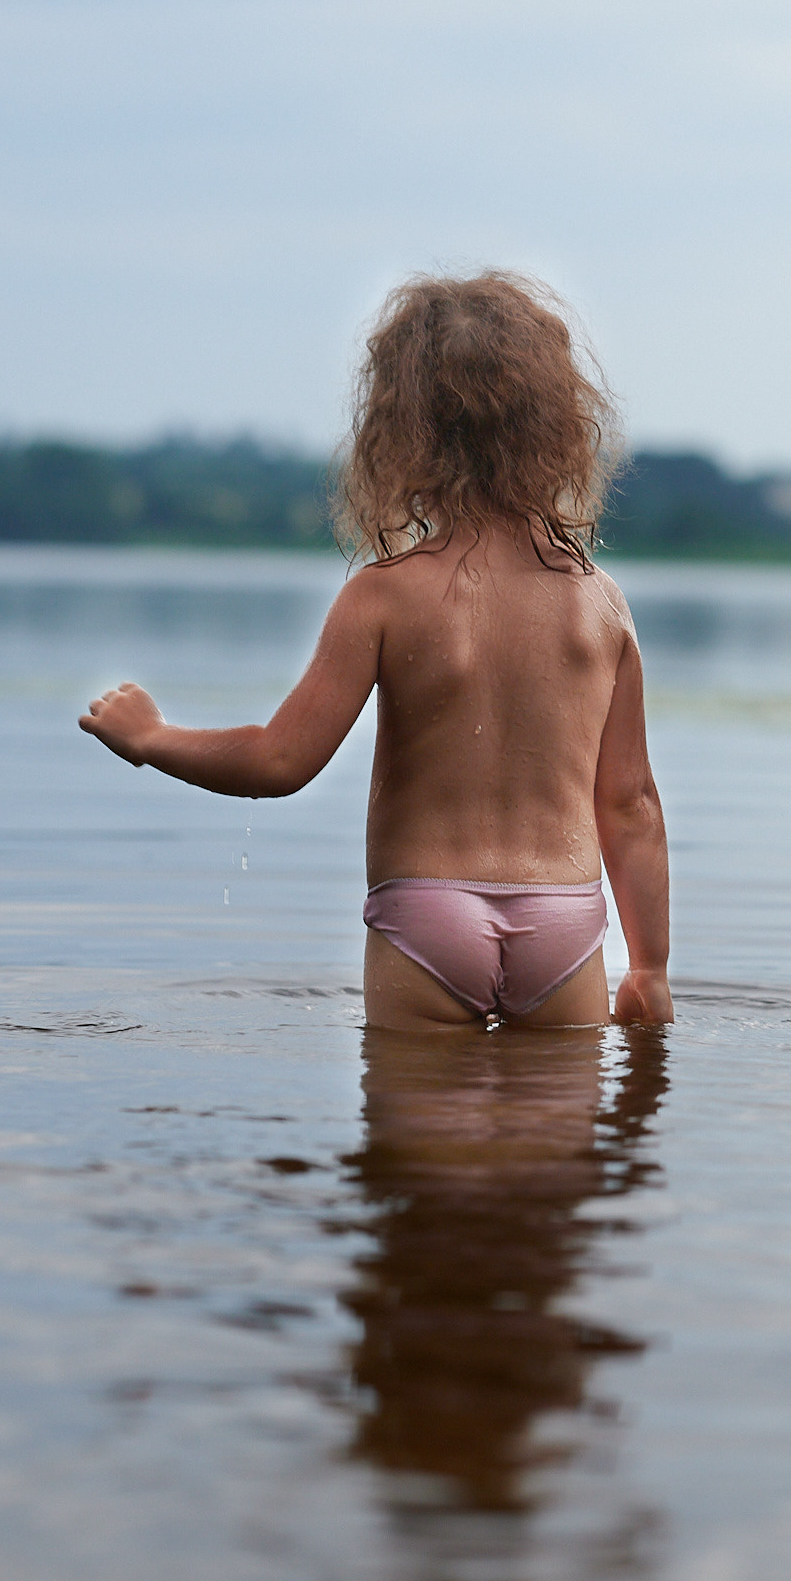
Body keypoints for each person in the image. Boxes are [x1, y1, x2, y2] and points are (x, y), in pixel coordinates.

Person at [78, 271, 671, 1030]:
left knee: (409, 1149)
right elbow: (632, 804)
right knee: (556, 1150)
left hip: (429, 918)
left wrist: (153, 738)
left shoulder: (386, 594)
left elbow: (279, 762)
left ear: (400, 432)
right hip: (563, 923)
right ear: (558, 424)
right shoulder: (600, 604)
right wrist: (648, 967)